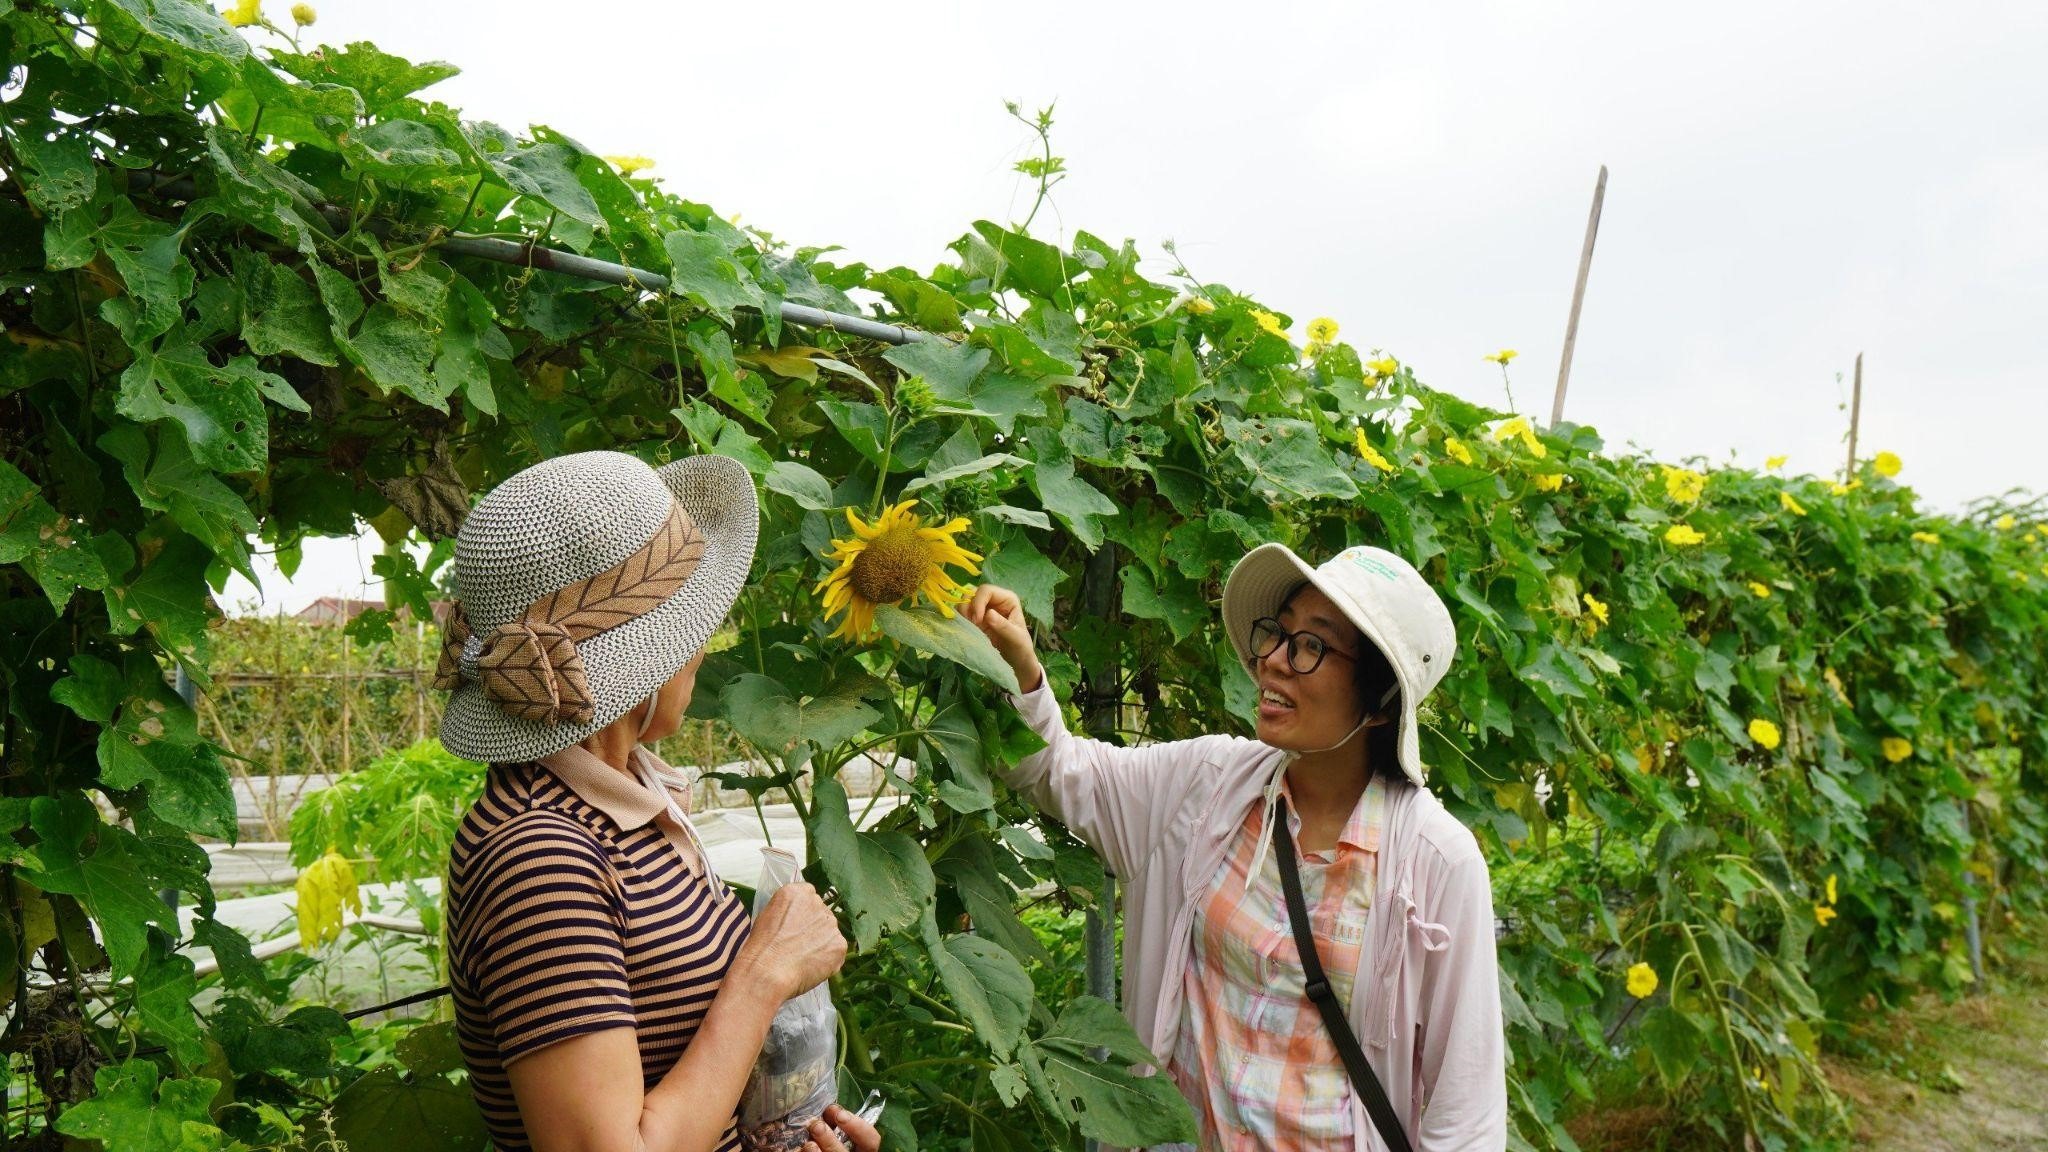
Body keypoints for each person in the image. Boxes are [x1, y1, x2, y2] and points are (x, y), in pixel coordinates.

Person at [965, 543, 1507, 1151]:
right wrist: (1020, 667)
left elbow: (1467, 1119)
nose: (1273, 660)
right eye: (1279, 633)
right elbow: (1058, 772)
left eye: (1312, 647)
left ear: (1380, 703)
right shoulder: (1206, 786)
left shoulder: (1436, 865)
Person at [435, 450, 881, 1152]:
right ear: (640, 667)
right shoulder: (538, 856)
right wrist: (764, 974)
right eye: (689, 625)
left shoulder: (630, 801)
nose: (701, 647)